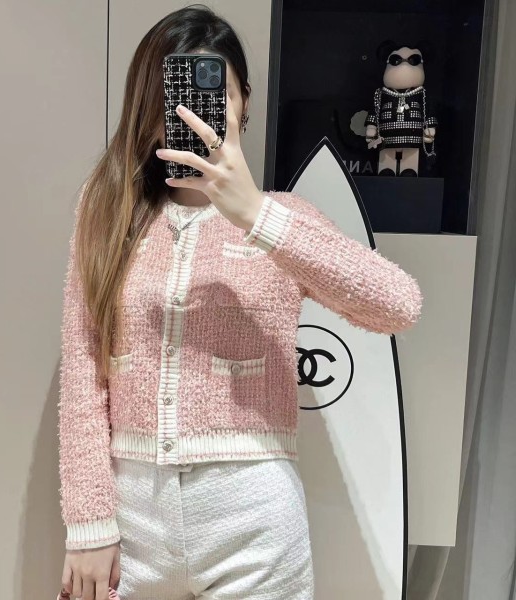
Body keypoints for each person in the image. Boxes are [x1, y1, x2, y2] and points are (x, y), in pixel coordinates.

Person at [57, 5, 424, 600]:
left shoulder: (285, 219)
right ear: (147, 109)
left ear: (243, 103)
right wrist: (88, 524)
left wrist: (255, 213)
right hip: (128, 526)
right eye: (172, 99)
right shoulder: (106, 213)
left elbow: (398, 304)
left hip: (255, 526)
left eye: (212, 96)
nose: (189, 116)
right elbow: (82, 371)